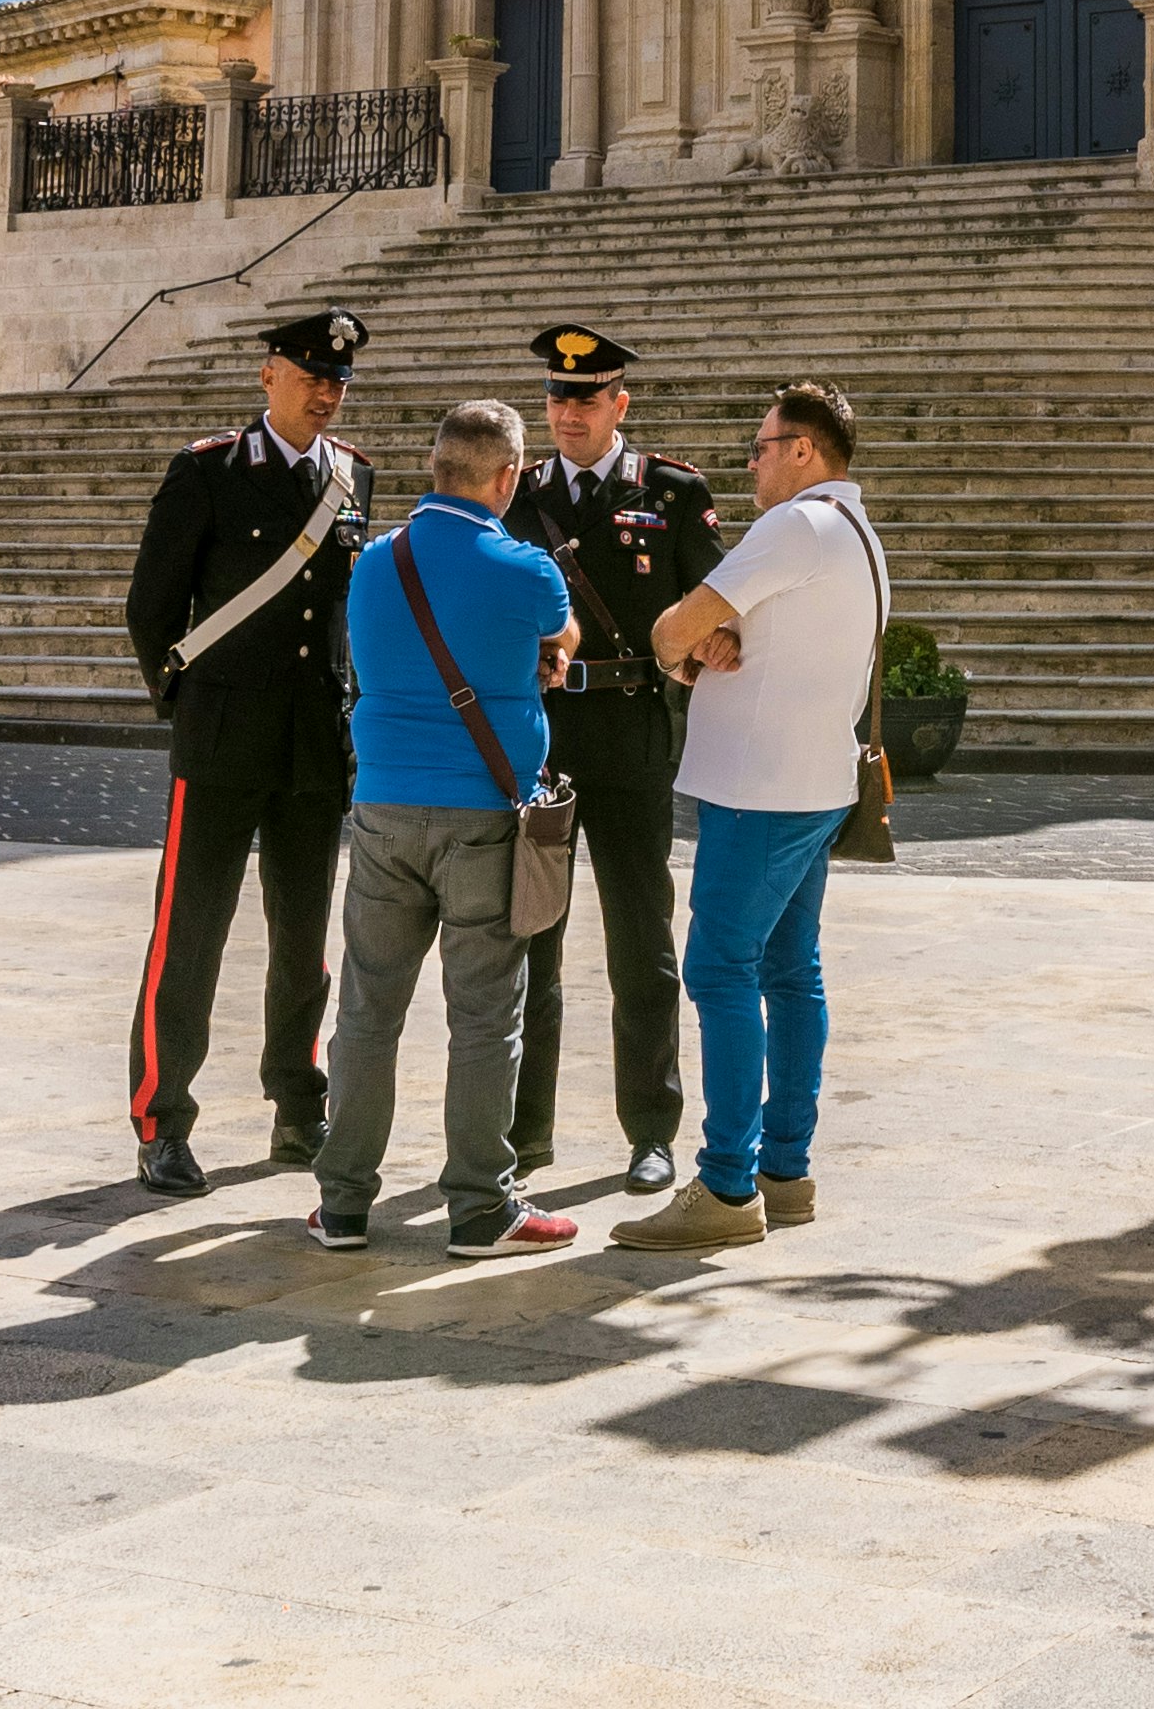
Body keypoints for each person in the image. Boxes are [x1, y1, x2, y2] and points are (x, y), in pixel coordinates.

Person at [611, 379, 881, 1256]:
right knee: (789, 973)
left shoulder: (794, 526)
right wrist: (710, 650)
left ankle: (727, 1184)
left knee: (722, 972)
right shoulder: (857, 532)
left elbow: (675, 626)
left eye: (763, 446)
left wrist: (680, 644)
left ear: (804, 450)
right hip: (812, 784)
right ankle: (786, 1171)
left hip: (758, 789)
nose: (753, 462)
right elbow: (749, 641)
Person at [307, 397, 581, 1256]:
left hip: (383, 809)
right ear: (506, 478)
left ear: (435, 468)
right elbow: (560, 632)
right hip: (484, 816)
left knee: (366, 1011)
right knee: (486, 1016)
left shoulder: (375, 563)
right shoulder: (528, 568)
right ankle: (478, 1208)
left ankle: (343, 1203)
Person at [120, 308, 373, 1197]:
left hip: (313, 745)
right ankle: (162, 1119)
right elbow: (152, 608)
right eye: (310, 376)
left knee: (303, 940)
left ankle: (298, 1107)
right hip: (222, 739)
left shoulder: (353, 477)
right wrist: (185, 705)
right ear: (270, 374)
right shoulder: (208, 471)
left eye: (337, 381)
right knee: (190, 934)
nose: (326, 393)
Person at [502, 324, 716, 1197]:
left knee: (641, 942)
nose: (567, 412)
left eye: (585, 398)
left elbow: (713, 607)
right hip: (544, 739)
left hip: (630, 736)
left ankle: (652, 1129)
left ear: (619, 402)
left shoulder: (668, 491)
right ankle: (526, 1132)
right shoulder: (515, 497)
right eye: (555, 397)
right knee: (533, 939)